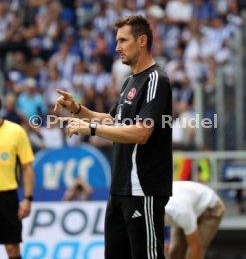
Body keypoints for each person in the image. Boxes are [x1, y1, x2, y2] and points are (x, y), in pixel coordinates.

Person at [55, 15, 173, 259]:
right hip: (119, 191)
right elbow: (112, 121)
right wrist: (77, 109)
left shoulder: (156, 80)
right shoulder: (129, 81)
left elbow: (141, 132)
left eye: (122, 40)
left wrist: (91, 130)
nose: (117, 47)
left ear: (142, 40)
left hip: (143, 190)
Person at [0, 98, 35, 259]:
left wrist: (27, 199)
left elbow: (27, 167)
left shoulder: (16, 131)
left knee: (12, 248)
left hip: (7, 196)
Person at [164, 181, 225, 259]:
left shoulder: (180, 212)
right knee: (175, 253)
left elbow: (196, 248)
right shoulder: (147, 209)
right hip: (188, 205)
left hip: (210, 208)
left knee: (192, 253)